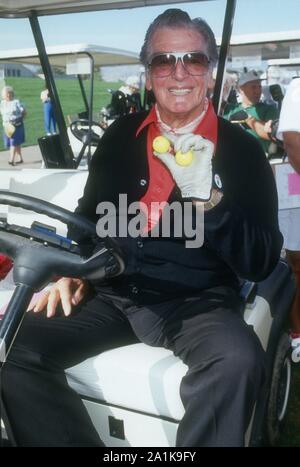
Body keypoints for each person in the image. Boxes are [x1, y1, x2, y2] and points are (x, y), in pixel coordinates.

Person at [1, 9, 282, 447]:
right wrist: (69, 272)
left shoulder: (244, 151)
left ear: (209, 72)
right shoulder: (119, 137)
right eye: (163, 61)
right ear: (148, 74)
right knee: (10, 345)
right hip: (112, 292)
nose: (179, 72)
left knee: (238, 361)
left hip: (195, 303)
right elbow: (88, 217)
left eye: (193, 59)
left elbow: (262, 260)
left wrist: (208, 199)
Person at [277, 77, 300, 358]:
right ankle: (297, 332)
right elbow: (293, 142)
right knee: (298, 266)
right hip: (296, 186)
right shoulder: (298, 87)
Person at [223, 70, 279, 155]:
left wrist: (248, 118)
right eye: (253, 87)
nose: (258, 91)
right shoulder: (229, 109)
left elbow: (272, 135)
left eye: (259, 87)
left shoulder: (269, 109)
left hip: (258, 157)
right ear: (241, 90)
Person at [0, 85, 26, 166]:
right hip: (7, 127)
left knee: (13, 143)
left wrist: (20, 119)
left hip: (16, 126)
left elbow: (24, 112)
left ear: (10, 94)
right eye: (4, 94)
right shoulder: (2, 103)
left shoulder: (16, 102)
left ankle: (11, 160)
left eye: (8, 93)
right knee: (16, 143)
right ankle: (20, 158)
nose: (6, 95)